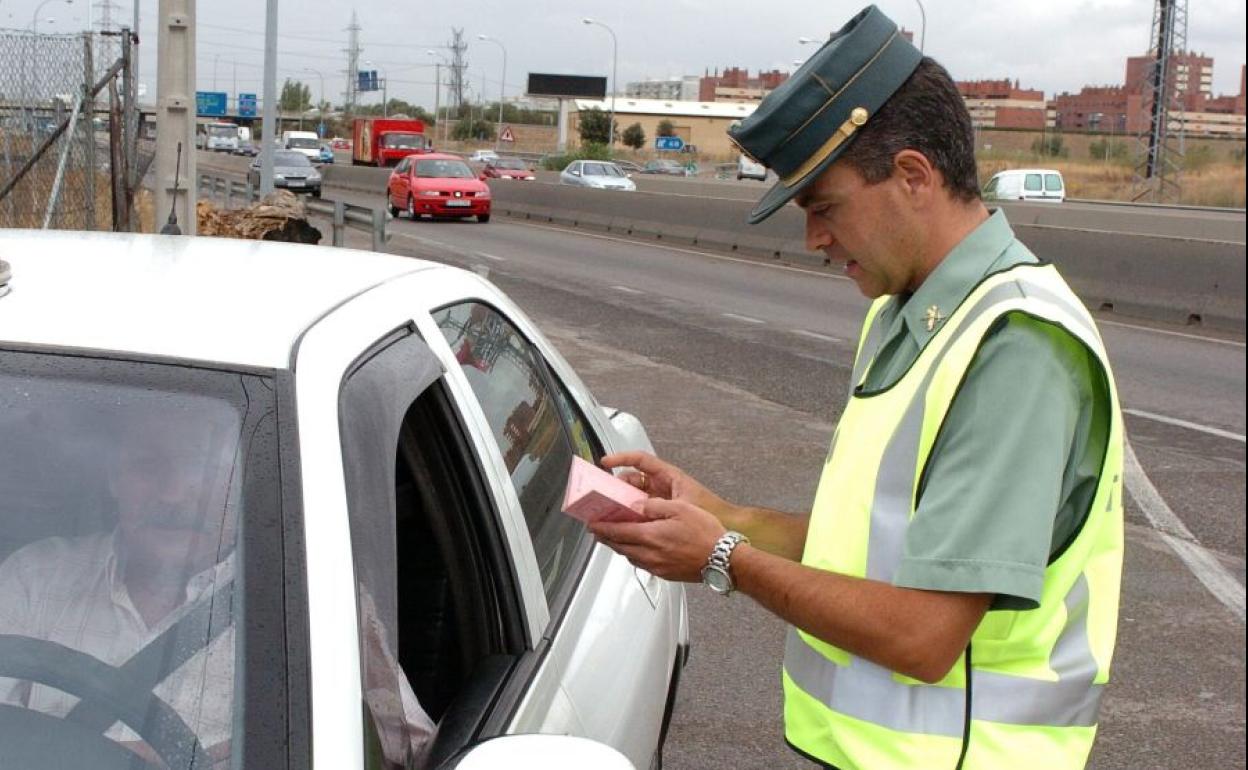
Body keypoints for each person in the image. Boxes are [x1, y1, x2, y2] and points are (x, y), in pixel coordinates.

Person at [590, 6, 1124, 770]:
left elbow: (923, 634)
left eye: (824, 206)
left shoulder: (1014, 349)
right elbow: (881, 548)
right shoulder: (904, 315)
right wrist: (718, 512)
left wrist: (723, 555)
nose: (813, 239)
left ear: (912, 175)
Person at [0, 401, 435, 768]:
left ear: (241, 480)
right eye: (148, 467)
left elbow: (413, 750)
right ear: (115, 480)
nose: (172, 495)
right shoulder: (35, 577)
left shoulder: (312, 601)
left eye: (200, 468)